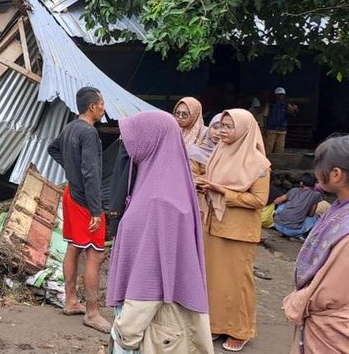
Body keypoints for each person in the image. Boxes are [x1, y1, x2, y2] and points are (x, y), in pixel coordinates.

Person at [106, 111, 214, 354]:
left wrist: (125, 333)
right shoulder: (165, 185)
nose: (128, 145)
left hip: (149, 327)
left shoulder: (159, 202)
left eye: (134, 138)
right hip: (157, 322)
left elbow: (150, 279)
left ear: (151, 141)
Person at [283, 135, 349, 353]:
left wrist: (298, 300)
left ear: (336, 174)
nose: (316, 171)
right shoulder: (341, 209)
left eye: (319, 165)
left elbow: (331, 294)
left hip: (334, 328)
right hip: (325, 322)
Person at [196, 109, 270, 352]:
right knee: (216, 279)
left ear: (244, 130)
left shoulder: (258, 163)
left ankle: (241, 329)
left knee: (238, 282)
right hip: (214, 223)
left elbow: (259, 200)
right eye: (221, 125)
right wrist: (204, 185)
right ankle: (218, 324)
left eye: (229, 127)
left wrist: (220, 191)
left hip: (238, 230)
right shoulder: (220, 152)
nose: (222, 131)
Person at [47, 86, 110, 333]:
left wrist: (69, 169)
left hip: (70, 195)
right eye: (102, 103)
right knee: (95, 254)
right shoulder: (89, 133)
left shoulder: (70, 127)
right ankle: (92, 313)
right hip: (85, 200)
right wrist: (96, 210)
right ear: (93, 106)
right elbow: (91, 173)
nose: (104, 107)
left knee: (74, 246)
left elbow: (53, 149)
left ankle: (71, 300)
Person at [272, 173, 327, 238]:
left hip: (277, 225)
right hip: (292, 231)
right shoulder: (316, 195)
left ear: (301, 183)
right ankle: (306, 236)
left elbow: (276, 201)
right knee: (316, 218)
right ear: (314, 184)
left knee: (282, 206)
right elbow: (311, 214)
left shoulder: (294, 190)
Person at [189, 114, 222, 212]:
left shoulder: (233, 153)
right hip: (200, 202)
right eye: (215, 127)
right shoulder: (195, 152)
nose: (217, 133)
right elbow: (191, 179)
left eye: (222, 129)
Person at [262, 87, 298, 154]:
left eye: (282, 94)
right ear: (275, 95)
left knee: (280, 149)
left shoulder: (286, 105)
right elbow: (265, 116)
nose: (280, 96)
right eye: (279, 94)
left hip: (282, 130)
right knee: (268, 149)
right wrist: (265, 127)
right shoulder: (270, 105)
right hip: (271, 130)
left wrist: (294, 109)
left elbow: (292, 113)